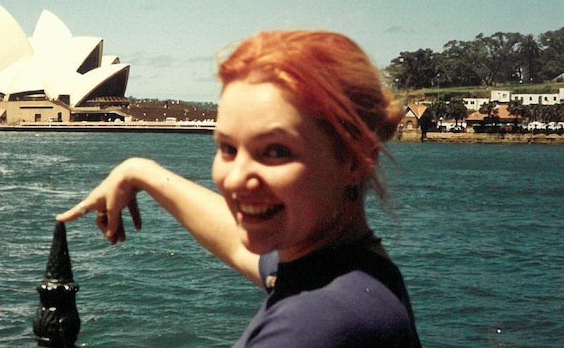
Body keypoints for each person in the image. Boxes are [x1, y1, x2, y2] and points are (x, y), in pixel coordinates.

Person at [57, 30, 421, 347]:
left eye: (276, 151)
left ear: (356, 161)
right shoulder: (354, 271)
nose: (234, 178)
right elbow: (236, 242)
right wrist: (141, 171)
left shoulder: (312, 328)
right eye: (228, 148)